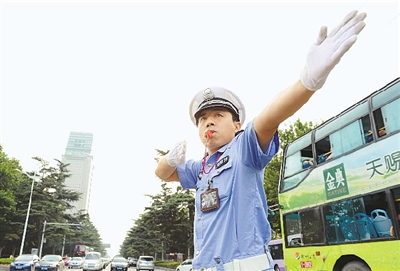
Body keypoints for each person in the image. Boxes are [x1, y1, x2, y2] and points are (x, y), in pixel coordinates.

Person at [155, 10, 367, 271]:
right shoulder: (200, 169)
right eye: (202, 119)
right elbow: (163, 173)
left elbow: (269, 118)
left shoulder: (243, 149)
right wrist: (170, 158)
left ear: (236, 125)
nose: (208, 122)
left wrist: (307, 81)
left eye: (218, 115)